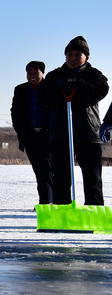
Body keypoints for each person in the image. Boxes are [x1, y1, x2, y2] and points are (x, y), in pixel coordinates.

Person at [38, 36, 108, 205]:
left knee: (93, 178)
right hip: (61, 134)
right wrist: (59, 86)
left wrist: (77, 83)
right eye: (69, 54)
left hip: (89, 135)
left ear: (86, 57)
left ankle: (94, 212)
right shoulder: (55, 76)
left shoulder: (94, 75)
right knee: (61, 177)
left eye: (78, 55)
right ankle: (62, 212)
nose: (73, 58)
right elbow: (45, 98)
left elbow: (99, 92)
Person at [10, 61, 53, 204]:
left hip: (48, 135)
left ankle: (47, 202)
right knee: (38, 169)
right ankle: (45, 200)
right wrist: (20, 129)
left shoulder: (51, 87)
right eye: (29, 72)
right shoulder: (20, 90)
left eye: (36, 72)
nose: (32, 75)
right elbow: (15, 112)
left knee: (44, 165)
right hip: (30, 136)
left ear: (43, 73)